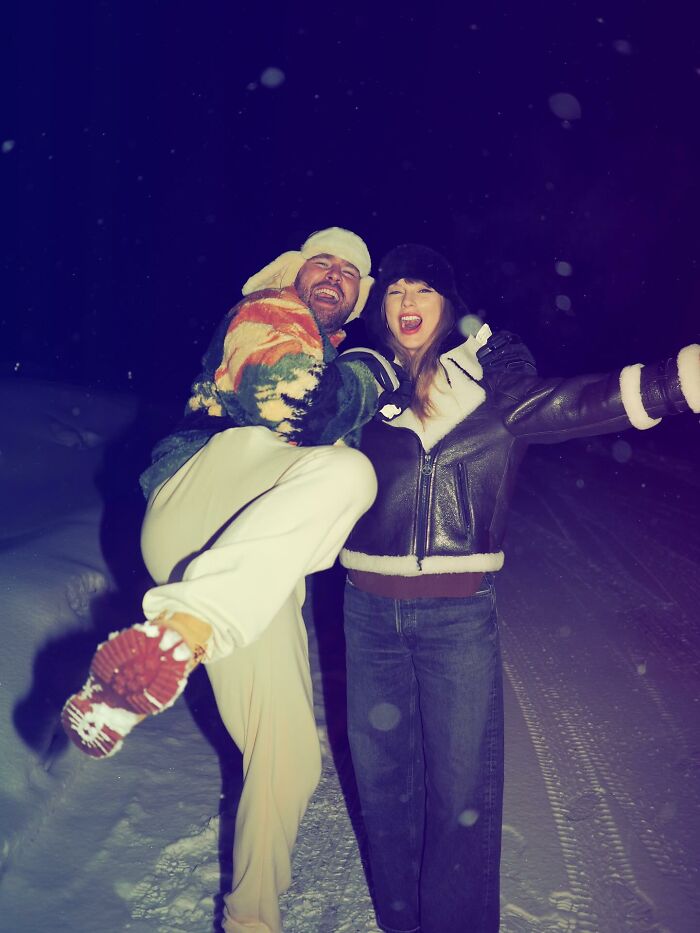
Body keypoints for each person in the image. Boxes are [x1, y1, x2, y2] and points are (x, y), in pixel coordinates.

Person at [60, 227, 413, 933]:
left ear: (359, 297)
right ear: (295, 270)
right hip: (207, 490)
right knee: (348, 471)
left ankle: (252, 920)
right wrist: (376, 373)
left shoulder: (344, 355)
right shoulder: (269, 313)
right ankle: (180, 629)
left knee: (289, 756)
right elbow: (290, 401)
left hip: (245, 567)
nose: (334, 275)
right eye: (324, 261)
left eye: (351, 272)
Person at [339, 243, 700, 933]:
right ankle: (398, 922)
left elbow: (575, 403)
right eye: (395, 291)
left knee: (460, 795)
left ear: (447, 306)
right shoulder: (363, 387)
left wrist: (675, 382)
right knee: (384, 790)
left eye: (423, 289)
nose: (408, 301)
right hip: (367, 613)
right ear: (382, 308)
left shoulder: (491, 390)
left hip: (456, 618)